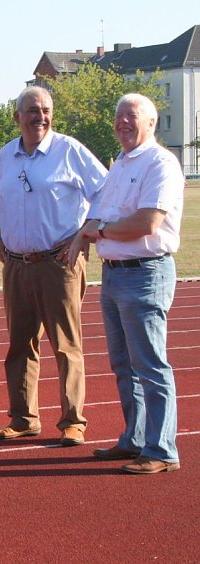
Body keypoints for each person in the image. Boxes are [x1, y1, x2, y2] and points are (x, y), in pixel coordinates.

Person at [0, 86, 107, 446]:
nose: (40, 116)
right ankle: (23, 418)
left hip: (59, 263)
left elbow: (104, 191)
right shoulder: (5, 157)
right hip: (18, 266)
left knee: (66, 346)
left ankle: (73, 420)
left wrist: (84, 234)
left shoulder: (69, 151)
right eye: (32, 110)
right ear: (17, 117)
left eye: (46, 110)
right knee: (20, 345)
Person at [68, 93, 184, 474]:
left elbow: (146, 223)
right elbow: (94, 218)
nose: (122, 123)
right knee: (123, 364)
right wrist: (84, 235)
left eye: (131, 117)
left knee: (150, 365)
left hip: (146, 272)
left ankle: (162, 449)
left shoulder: (160, 163)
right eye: (118, 117)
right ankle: (135, 439)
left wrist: (98, 231)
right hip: (115, 274)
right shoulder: (119, 164)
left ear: (151, 122)